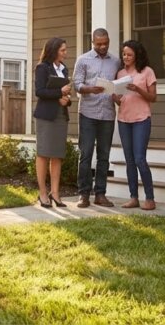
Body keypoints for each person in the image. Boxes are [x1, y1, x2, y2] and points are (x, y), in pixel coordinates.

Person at [72, 28, 120, 208]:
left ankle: (100, 194)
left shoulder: (115, 61)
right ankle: (83, 194)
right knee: (85, 155)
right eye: (99, 44)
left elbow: (118, 84)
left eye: (105, 43)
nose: (103, 46)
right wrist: (90, 89)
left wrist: (117, 94)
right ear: (92, 42)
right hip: (88, 113)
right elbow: (76, 84)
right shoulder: (83, 60)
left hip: (107, 113)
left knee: (104, 156)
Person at [117, 39, 158, 210]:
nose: (126, 57)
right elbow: (121, 100)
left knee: (140, 158)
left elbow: (153, 98)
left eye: (129, 54)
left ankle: (150, 198)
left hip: (141, 120)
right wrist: (115, 98)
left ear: (137, 56)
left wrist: (138, 89)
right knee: (129, 160)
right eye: (124, 54)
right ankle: (133, 197)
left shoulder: (147, 72)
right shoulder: (120, 74)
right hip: (123, 120)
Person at [33, 36, 72, 208]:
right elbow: (40, 92)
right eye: (63, 50)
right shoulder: (42, 68)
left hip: (60, 115)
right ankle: (43, 193)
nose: (65, 53)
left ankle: (55, 193)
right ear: (54, 50)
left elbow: (64, 93)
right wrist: (59, 93)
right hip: (46, 117)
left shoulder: (64, 69)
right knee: (43, 154)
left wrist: (67, 100)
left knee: (57, 155)